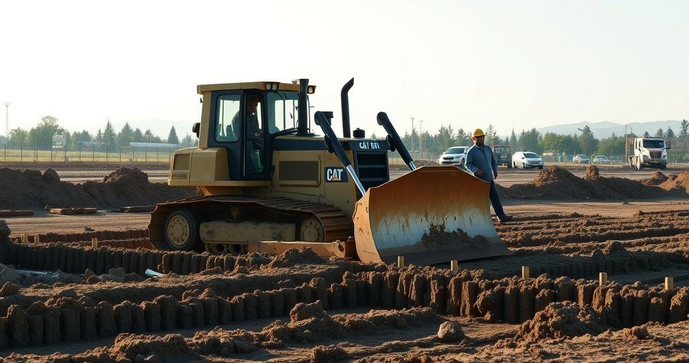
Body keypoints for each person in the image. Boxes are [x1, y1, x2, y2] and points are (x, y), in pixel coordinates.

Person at [464, 128, 512, 223]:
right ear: (474, 139)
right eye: (478, 138)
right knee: (480, 201)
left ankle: (501, 216)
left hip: (489, 179)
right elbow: (467, 164)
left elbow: (493, 161)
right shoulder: (471, 151)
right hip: (479, 180)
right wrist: (476, 170)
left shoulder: (487, 148)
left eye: (482, 137)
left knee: (494, 197)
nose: (481, 139)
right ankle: (478, 219)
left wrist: (495, 169)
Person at [232, 95, 264, 172]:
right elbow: (238, 135)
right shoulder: (238, 118)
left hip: (254, 140)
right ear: (244, 104)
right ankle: (253, 169)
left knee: (268, 142)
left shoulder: (253, 118)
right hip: (243, 143)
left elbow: (257, 131)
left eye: (255, 105)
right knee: (251, 145)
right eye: (250, 105)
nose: (253, 107)